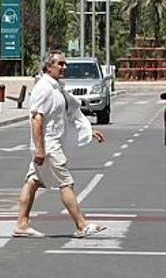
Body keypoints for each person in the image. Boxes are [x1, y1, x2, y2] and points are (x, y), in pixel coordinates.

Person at [13, 50, 107, 238]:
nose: (64, 67)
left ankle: (21, 224)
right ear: (49, 66)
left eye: (65, 64)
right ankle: (81, 225)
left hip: (51, 143)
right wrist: (40, 149)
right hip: (48, 145)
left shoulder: (57, 87)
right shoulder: (44, 88)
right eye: (60, 64)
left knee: (32, 181)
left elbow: (71, 111)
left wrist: (88, 130)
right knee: (66, 183)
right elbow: (36, 118)